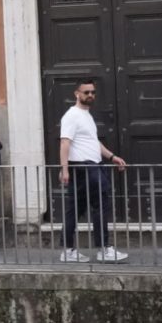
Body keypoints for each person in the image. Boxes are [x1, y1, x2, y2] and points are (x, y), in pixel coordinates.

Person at [59, 78, 128, 263]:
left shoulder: (86, 116)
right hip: (85, 167)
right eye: (86, 92)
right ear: (77, 94)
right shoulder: (72, 115)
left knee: (75, 209)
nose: (90, 95)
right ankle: (103, 249)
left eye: (92, 92)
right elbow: (65, 142)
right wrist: (64, 169)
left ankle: (68, 250)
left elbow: (93, 142)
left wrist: (112, 157)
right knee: (100, 206)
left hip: (90, 166)